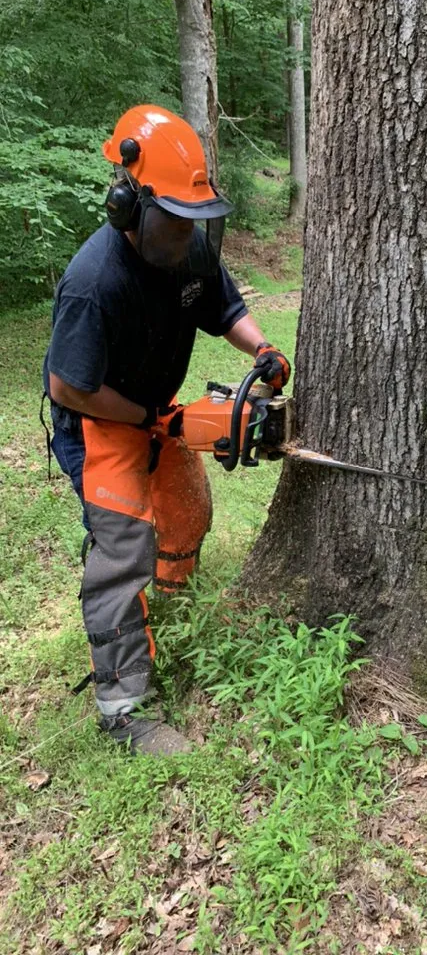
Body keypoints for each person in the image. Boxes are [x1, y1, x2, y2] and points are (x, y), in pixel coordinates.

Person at [42, 105, 291, 757]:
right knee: (123, 548)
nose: (185, 235)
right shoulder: (94, 283)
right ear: (129, 205)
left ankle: (172, 601)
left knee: (186, 509)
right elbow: (67, 385)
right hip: (99, 424)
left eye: (194, 221)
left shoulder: (188, 251)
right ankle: (123, 710)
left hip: (154, 413)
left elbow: (225, 307)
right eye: (174, 220)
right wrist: (146, 419)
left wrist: (261, 350)